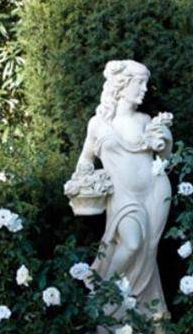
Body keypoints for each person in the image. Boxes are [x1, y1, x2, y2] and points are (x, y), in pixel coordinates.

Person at [70, 60, 173, 318]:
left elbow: (165, 158)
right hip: (123, 196)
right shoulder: (99, 124)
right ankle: (104, 293)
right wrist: (83, 179)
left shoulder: (145, 120)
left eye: (145, 84)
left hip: (156, 191)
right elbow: (85, 160)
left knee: (149, 249)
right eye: (139, 83)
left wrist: (165, 140)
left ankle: (147, 311)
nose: (144, 89)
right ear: (121, 85)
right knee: (131, 243)